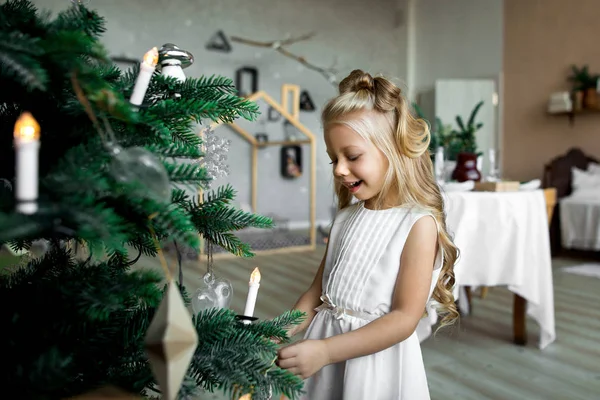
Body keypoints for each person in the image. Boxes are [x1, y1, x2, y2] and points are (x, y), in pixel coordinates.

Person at [276, 70, 459, 399]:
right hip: (324, 354)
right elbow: (316, 293)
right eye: (334, 159)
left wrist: (327, 351)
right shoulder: (346, 218)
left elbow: (404, 318)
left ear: (394, 149)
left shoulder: (418, 224)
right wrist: (278, 331)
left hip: (375, 366)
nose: (339, 169)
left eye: (352, 156)